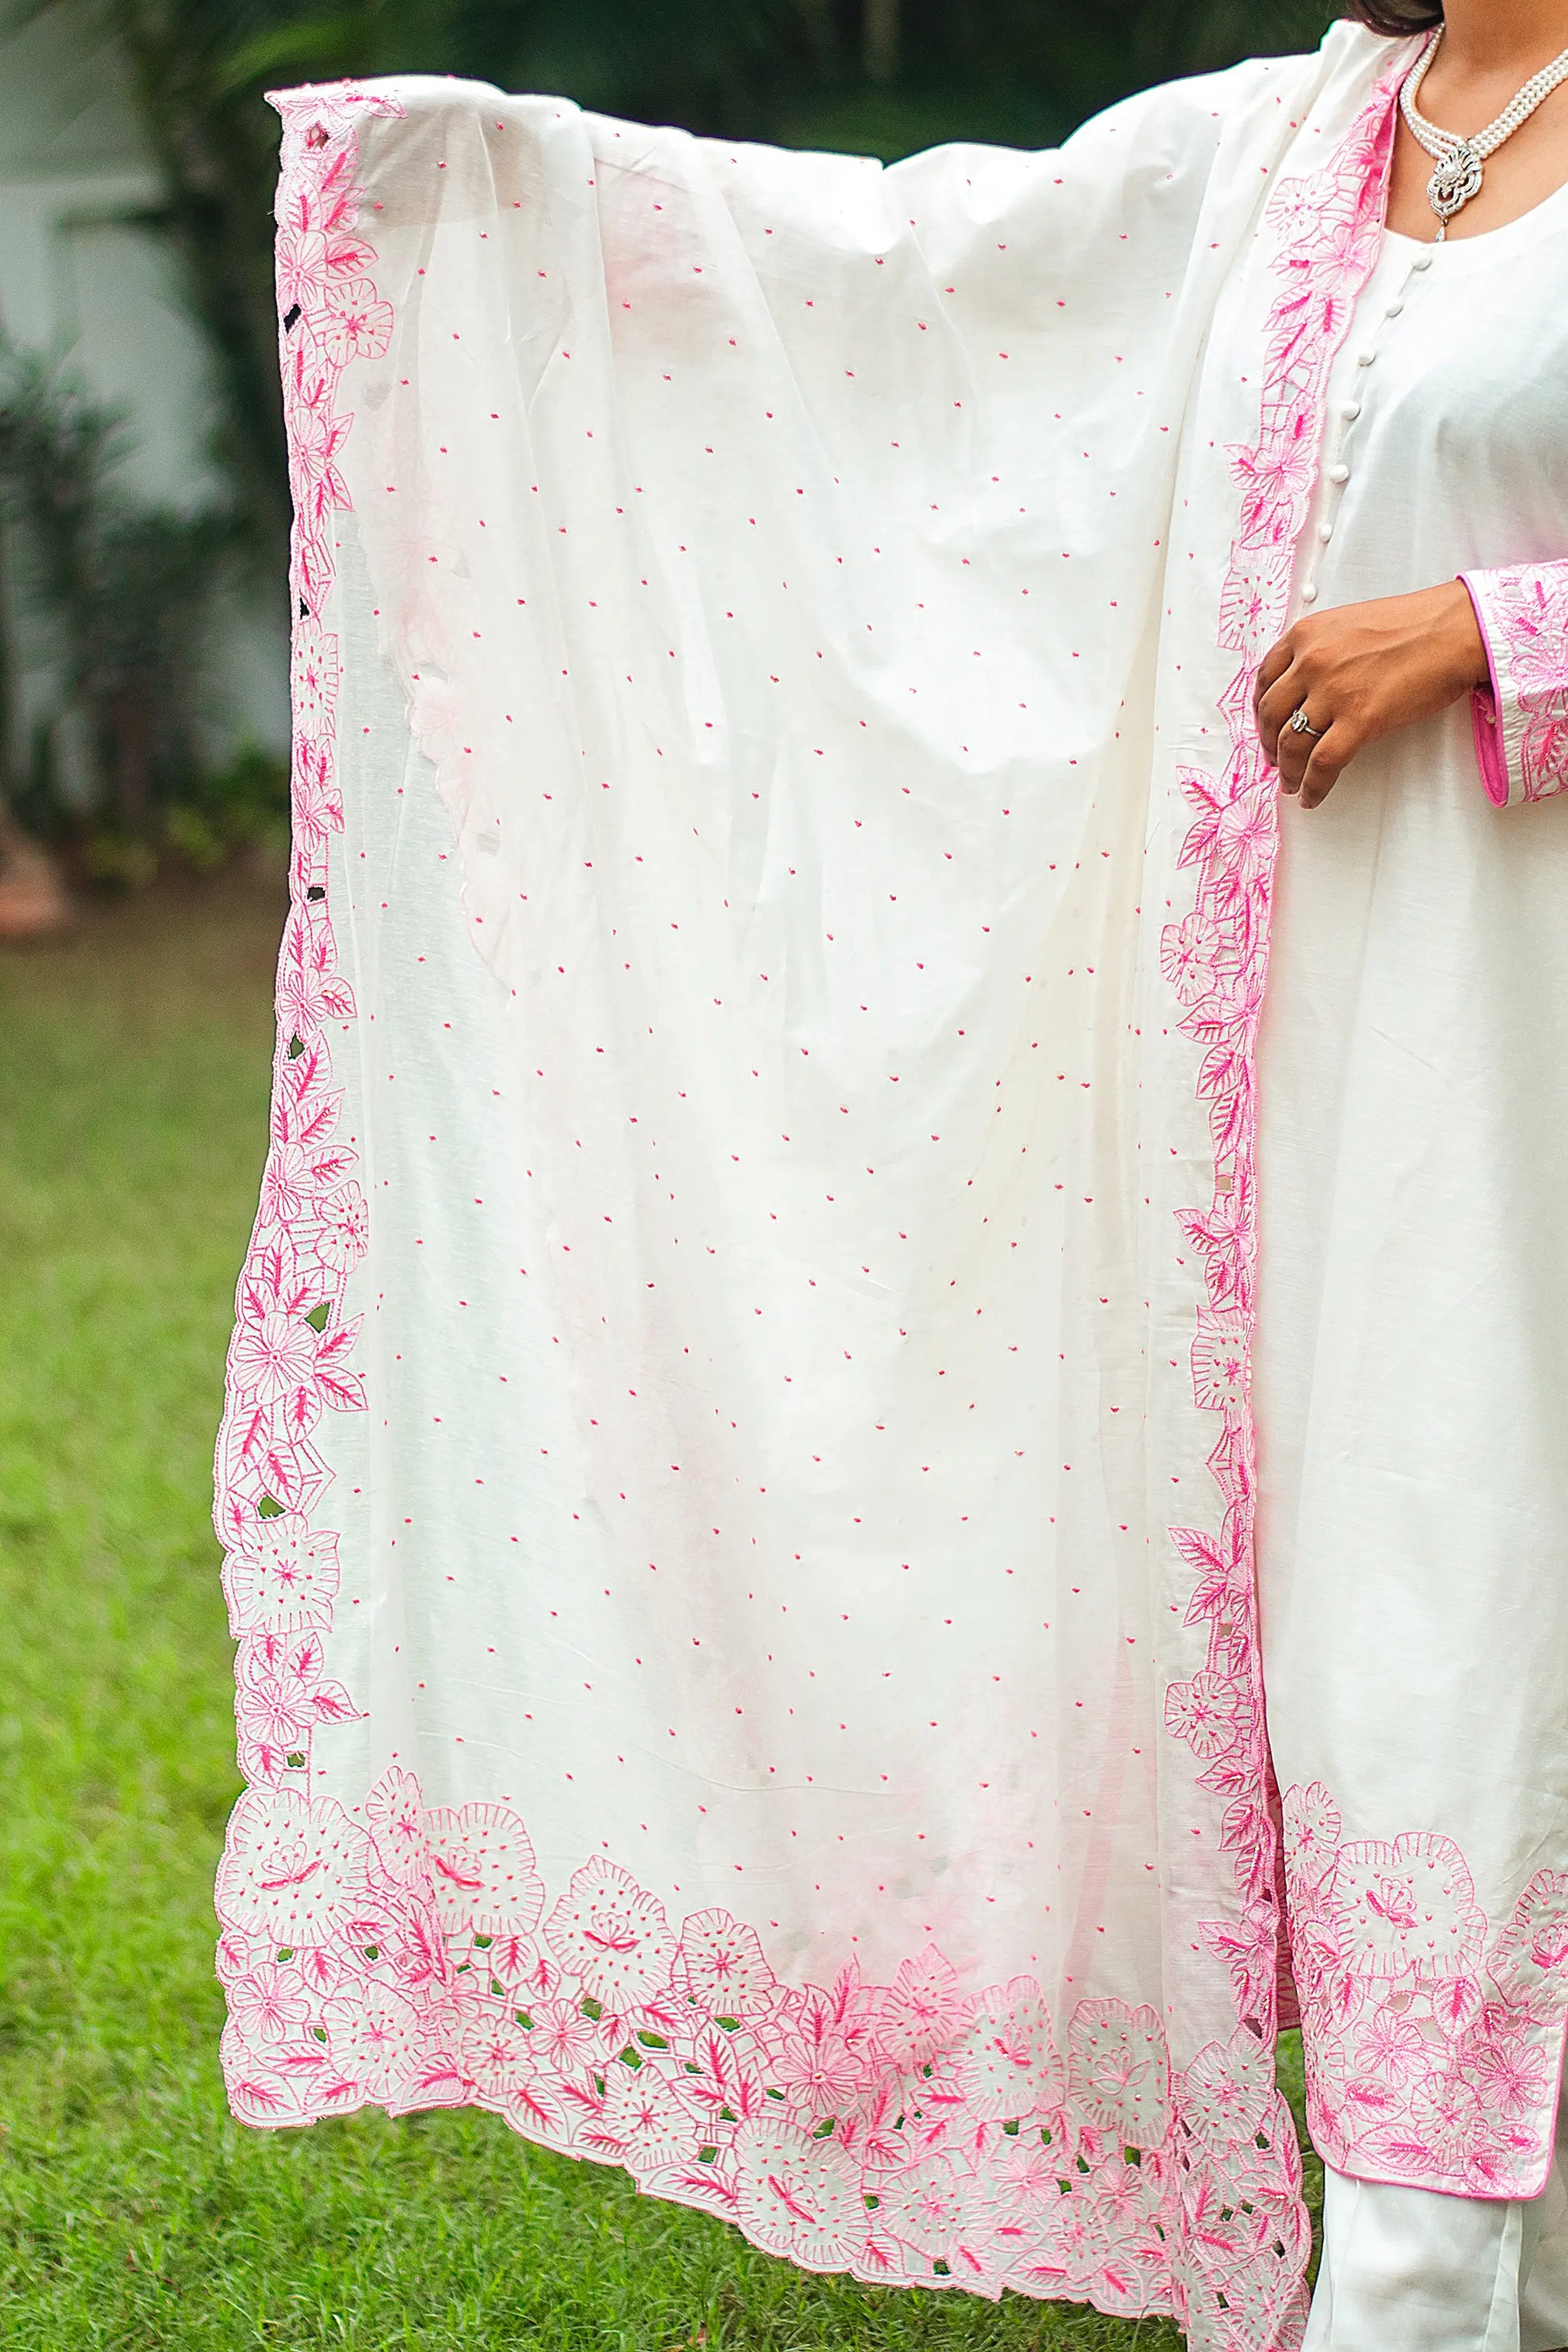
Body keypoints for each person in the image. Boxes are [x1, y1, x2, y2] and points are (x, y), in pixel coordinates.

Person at [214, 8, 1568, 2348]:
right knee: (1408, 1629)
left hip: (1520, 1034)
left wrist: (1491, 629)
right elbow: (930, 278)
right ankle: (1448, 2249)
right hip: (1320, 1080)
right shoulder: (1295, 139)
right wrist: (502, 203)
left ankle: (1438, 2269)